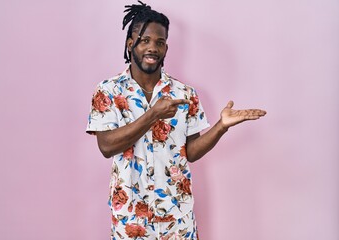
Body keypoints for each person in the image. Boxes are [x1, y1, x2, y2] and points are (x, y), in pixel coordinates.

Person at [86, 1, 266, 239]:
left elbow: (190, 152)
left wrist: (221, 127)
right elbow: (106, 146)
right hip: (130, 217)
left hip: (177, 216)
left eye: (160, 42)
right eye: (145, 40)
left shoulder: (185, 94)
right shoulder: (107, 91)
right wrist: (153, 115)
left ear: (166, 48)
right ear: (130, 44)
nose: (153, 47)